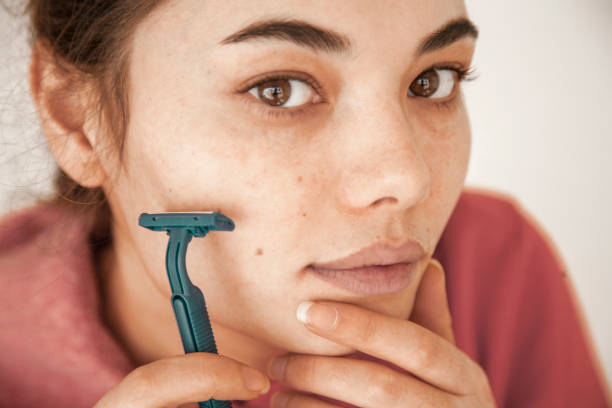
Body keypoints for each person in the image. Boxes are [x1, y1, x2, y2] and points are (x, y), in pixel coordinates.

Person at [0, 0, 609, 407]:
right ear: (77, 121)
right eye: (279, 89)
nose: (407, 178)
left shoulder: (495, 264)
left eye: (434, 80)